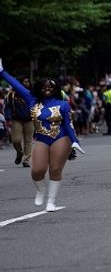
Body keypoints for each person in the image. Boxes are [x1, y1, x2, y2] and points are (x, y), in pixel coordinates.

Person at [0, 59, 85, 211]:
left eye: (50, 87)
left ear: (55, 89)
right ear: (39, 88)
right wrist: (2, 72)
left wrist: (74, 141)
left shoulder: (63, 104)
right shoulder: (31, 99)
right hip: (41, 138)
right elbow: (16, 85)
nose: (47, 89)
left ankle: (51, 201)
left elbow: (68, 124)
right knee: (37, 170)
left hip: (61, 137)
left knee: (55, 169)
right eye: (44, 87)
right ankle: (40, 190)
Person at [4, 75, 33, 167]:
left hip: (30, 120)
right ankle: (19, 153)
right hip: (17, 119)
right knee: (15, 140)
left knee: (28, 140)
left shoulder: (32, 93)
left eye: (28, 81)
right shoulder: (12, 94)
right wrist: (8, 118)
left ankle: (26, 160)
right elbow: (8, 107)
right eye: (25, 81)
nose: (27, 83)